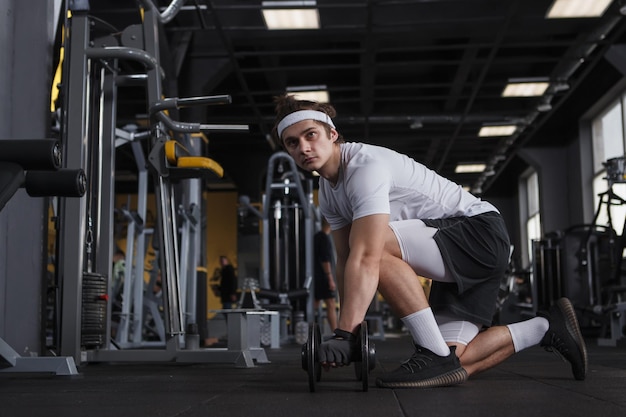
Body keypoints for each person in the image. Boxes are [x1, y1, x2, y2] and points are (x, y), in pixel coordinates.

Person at [271, 94, 587, 388]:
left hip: (478, 233)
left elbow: (366, 255)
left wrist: (345, 334)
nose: (303, 147)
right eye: (292, 143)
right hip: (449, 250)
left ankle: (431, 354)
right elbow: (344, 262)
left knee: (369, 246)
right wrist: (347, 330)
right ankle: (547, 327)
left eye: (310, 135)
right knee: (453, 361)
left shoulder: (364, 167)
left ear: (332, 135)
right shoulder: (328, 192)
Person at [314, 217, 338, 332]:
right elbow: (325, 260)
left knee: (315, 303)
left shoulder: (317, 237)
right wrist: (330, 278)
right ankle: (335, 332)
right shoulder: (324, 238)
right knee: (331, 303)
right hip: (323, 276)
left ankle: (311, 329)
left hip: (316, 276)